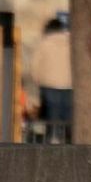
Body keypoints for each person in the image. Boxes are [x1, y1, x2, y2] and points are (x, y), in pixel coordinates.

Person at [30, 12, 76, 142]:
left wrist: (38, 79)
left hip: (49, 84)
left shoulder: (44, 43)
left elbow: (35, 64)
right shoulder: (72, 43)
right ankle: (69, 140)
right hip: (69, 84)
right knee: (68, 114)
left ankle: (52, 139)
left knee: (52, 113)